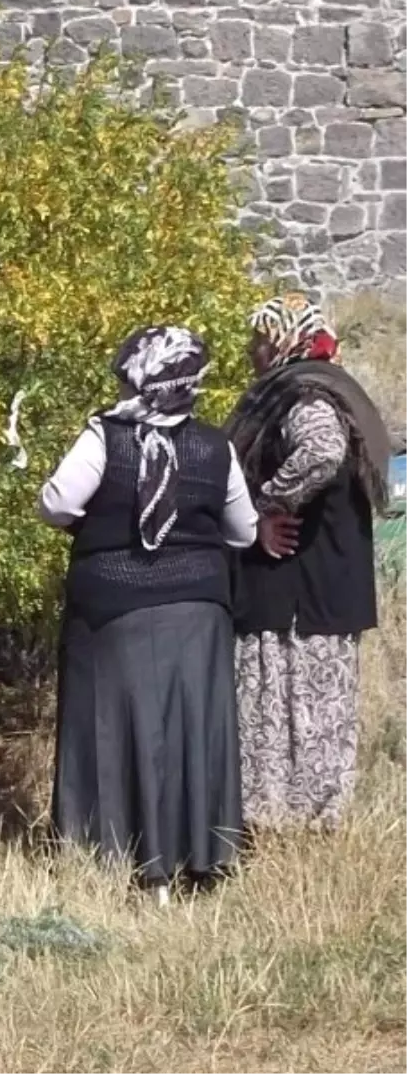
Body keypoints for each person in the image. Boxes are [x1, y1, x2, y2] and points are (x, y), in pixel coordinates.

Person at [39, 326, 258, 902]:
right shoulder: (215, 447)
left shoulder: (103, 438)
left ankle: (119, 853)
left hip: (115, 609)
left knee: (118, 729)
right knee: (190, 729)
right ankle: (199, 857)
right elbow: (245, 531)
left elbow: (55, 503)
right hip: (199, 612)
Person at [227, 294, 390, 832]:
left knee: (289, 703)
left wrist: (264, 506)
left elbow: (321, 452)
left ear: (283, 340)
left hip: (298, 587)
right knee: (313, 707)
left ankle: (283, 820)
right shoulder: (326, 386)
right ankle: (303, 822)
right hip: (319, 585)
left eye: (260, 338)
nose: (252, 349)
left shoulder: (305, 397)